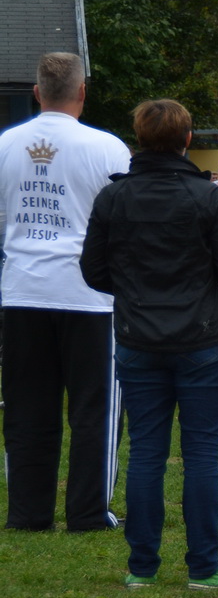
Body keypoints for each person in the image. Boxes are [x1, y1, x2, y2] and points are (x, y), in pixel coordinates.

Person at [80, 99, 218, 589]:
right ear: (187, 140)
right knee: (202, 454)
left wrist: (134, 291)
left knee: (146, 453)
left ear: (138, 139)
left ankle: (142, 567)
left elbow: (92, 270)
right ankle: (204, 567)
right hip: (204, 338)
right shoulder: (207, 197)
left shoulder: (114, 198)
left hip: (139, 338)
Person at [0, 51, 128, 532]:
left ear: (37, 92)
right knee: (95, 409)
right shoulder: (107, 147)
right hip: (88, 294)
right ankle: (89, 512)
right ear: (82, 91)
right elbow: (125, 222)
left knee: (27, 407)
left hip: (22, 290)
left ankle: (28, 513)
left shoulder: (6, 144)